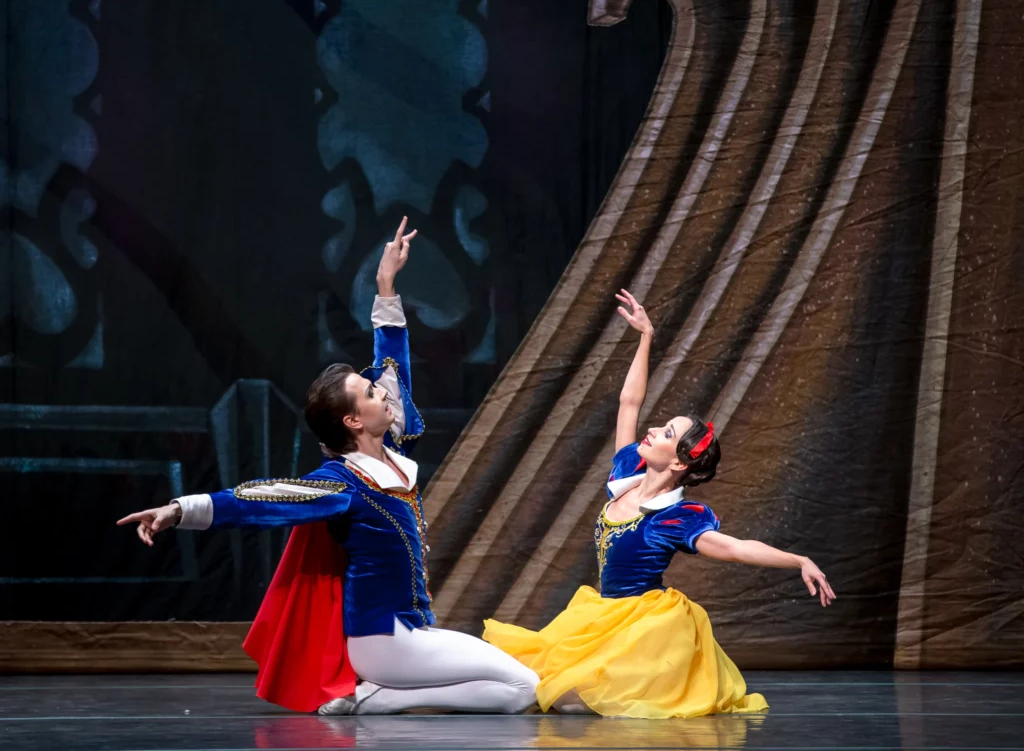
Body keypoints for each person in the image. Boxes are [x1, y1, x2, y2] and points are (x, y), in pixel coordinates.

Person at [118, 218, 538, 716]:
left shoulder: (390, 452)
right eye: (370, 393)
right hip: (383, 639)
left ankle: (376, 697)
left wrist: (386, 285)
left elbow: (392, 365)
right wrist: (178, 509)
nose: (383, 393)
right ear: (353, 420)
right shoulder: (344, 483)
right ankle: (377, 700)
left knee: (518, 687)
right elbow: (262, 499)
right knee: (522, 686)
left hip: (410, 631)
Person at [482, 289, 837, 719]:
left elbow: (735, 547)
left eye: (667, 433)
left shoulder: (676, 518)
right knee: (531, 680)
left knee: (558, 697)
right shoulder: (626, 471)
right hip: (600, 617)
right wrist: (645, 337)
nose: (652, 430)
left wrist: (798, 560)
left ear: (680, 462)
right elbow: (629, 402)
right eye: (663, 426)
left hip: (642, 628)